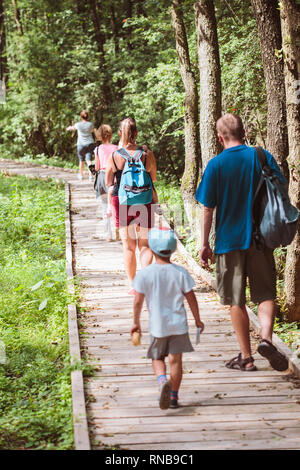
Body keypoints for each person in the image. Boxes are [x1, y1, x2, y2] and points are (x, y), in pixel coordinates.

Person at [195, 113, 289, 372]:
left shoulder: (215, 165)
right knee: (266, 294)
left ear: (219, 136)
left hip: (228, 242)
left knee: (235, 300)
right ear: (244, 131)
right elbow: (281, 188)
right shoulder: (261, 156)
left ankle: (246, 357)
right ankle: (267, 340)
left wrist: (205, 244)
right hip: (261, 239)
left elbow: (207, 208)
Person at [130, 227, 204, 410]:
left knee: (157, 357)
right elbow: (191, 298)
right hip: (178, 325)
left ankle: (162, 380)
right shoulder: (180, 272)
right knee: (175, 361)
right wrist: (197, 319)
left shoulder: (145, 274)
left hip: (158, 326)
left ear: (152, 250)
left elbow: (138, 301)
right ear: (173, 250)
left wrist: (136, 322)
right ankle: (173, 397)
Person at [105, 117, 157, 293]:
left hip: (122, 202)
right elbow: (154, 177)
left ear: (120, 134)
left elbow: (109, 182)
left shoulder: (114, 156)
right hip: (145, 200)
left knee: (128, 246)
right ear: (136, 134)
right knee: (145, 244)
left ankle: (133, 284)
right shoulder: (146, 154)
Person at [94, 124, 118, 241]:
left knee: (105, 206)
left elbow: (97, 167)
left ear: (100, 135)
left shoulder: (98, 149)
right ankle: (118, 230)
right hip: (114, 177)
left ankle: (108, 234)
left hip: (103, 177)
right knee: (116, 205)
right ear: (111, 134)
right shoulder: (116, 148)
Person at [66, 110, 95, 181]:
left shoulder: (78, 124)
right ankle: (90, 176)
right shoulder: (90, 124)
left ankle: (81, 175)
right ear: (88, 117)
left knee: (81, 160)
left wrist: (68, 128)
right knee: (89, 160)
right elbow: (92, 131)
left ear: (81, 117)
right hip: (90, 143)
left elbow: (72, 128)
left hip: (81, 144)